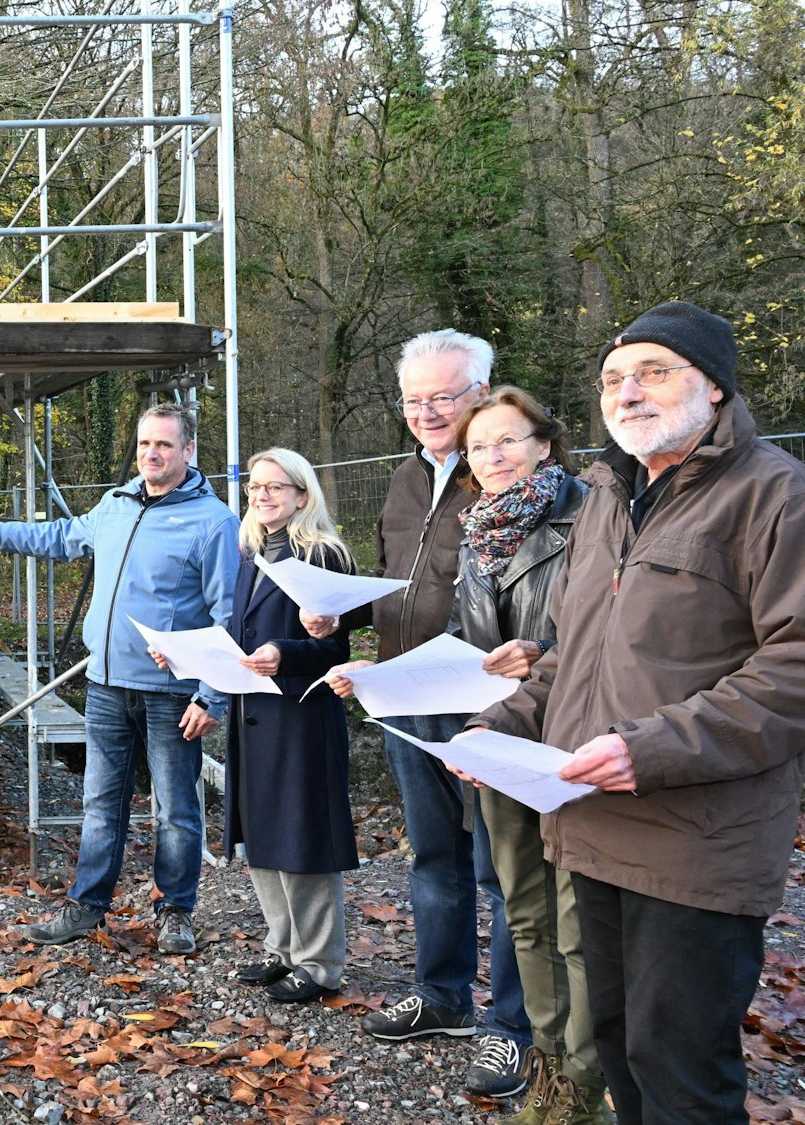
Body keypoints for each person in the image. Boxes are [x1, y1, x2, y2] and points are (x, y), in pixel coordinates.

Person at [466, 301, 805, 1124]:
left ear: (714, 387)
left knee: (683, 1074)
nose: (629, 392)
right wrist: (501, 725)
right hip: (592, 829)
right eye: (615, 378)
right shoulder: (608, 499)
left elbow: (793, 667)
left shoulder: (773, 496)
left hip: (696, 844)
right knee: (619, 1053)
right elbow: (574, 658)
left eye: (654, 371)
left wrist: (647, 749)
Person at [315, 330, 532, 1097]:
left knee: (505, 869)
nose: (428, 412)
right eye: (414, 399)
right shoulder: (407, 479)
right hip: (407, 697)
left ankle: (514, 1027)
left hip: (491, 705)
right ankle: (442, 994)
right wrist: (338, 620)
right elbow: (401, 583)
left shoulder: (512, 472)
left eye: (444, 395)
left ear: (482, 392)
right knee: (432, 856)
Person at [0, 401, 238, 953]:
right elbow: (61, 537)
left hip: (171, 694)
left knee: (176, 807)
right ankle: (86, 907)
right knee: (99, 803)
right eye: (144, 444)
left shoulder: (214, 523)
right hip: (107, 685)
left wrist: (213, 697)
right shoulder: (116, 504)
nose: (151, 454)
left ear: (189, 451)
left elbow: (229, 619)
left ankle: (176, 912)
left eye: (163, 444)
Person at [448, 388, 605, 1124]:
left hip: (572, 735)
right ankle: (549, 1070)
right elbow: (467, 635)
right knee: (525, 911)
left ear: (545, 443)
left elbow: (613, 626)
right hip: (500, 736)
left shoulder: (592, 515)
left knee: (579, 919)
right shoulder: (475, 533)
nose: (493, 457)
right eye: (479, 447)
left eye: (508, 441)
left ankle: (587, 1078)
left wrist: (542, 654)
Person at [173, 448, 357, 1004]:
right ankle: (283, 948)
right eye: (255, 486)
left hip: (302, 715)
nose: (263, 495)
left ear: (303, 494)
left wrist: (286, 653)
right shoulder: (252, 551)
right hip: (256, 715)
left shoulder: (323, 554)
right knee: (263, 833)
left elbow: (338, 647)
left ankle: (320, 963)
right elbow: (239, 637)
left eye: (277, 486)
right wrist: (186, 658)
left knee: (303, 836)